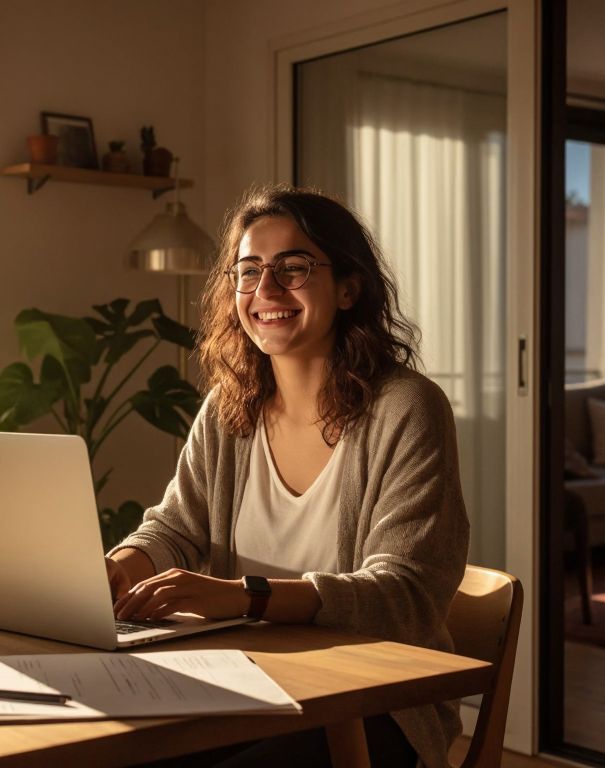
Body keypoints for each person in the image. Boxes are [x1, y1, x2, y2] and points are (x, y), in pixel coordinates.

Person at [106, 184, 469, 768]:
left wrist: (243, 598)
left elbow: (406, 594)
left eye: (292, 267)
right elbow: (175, 527)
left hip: (369, 705)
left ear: (349, 287)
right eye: (248, 272)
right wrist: (116, 568)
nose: (266, 290)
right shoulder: (231, 405)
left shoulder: (408, 408)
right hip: (242, 683)